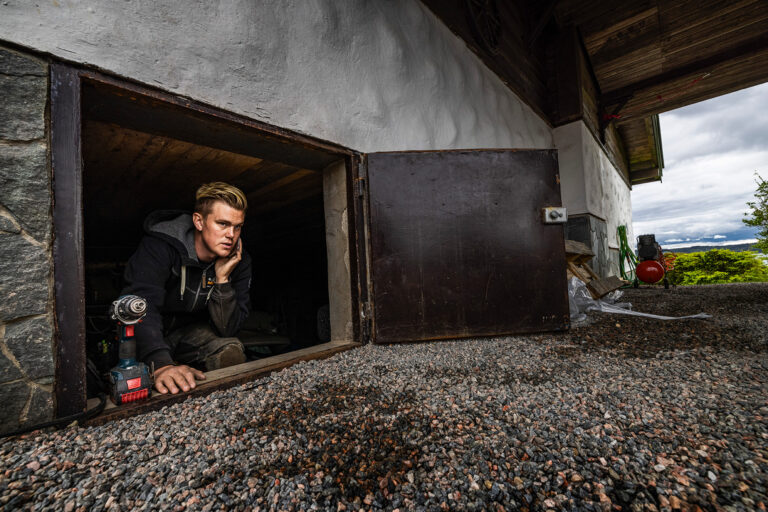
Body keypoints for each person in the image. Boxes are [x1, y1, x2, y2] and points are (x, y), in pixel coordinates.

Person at [122, 182, 252, 395]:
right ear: (199, 221)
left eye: (237, 226)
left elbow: (229, 329)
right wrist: (161, 364)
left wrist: (222, 279)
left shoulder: (240, 260)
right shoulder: (160, 246)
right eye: (222, 224)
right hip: (151, 331)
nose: (231, 234)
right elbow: (141, 305)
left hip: (189, 334)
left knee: (230, 348)